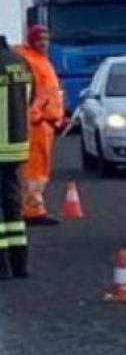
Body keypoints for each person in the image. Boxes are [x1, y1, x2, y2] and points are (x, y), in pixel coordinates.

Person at [15, 24, 64, 227]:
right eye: (39, 39)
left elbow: (49, 92)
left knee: (39, 169)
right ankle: (32, 210)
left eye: (46, 38)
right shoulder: (28, 59)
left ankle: (32, 207)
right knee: (34, 170)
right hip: (36, 123)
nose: (44, 42)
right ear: (31, 40)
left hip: (46, 122)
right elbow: (32, 91)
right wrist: (34, 114)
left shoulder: (41, 60)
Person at [0, 35, 31, 280]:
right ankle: (20, 264)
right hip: (17, 144)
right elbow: (28, 98)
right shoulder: (20, 62)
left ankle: (2, 267)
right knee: (13, 205)